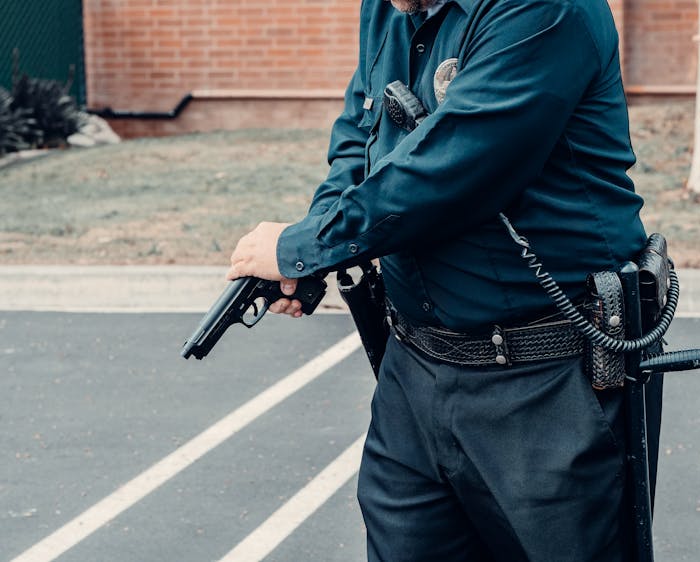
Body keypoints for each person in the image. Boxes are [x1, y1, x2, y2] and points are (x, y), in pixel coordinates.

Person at [227, 0, 651, 560]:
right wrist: (317, 246)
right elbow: (363, 134)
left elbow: (458, 164)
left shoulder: (546, 9)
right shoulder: (388, 7)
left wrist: (302, 246)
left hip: (546, 380)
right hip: (414, 372)